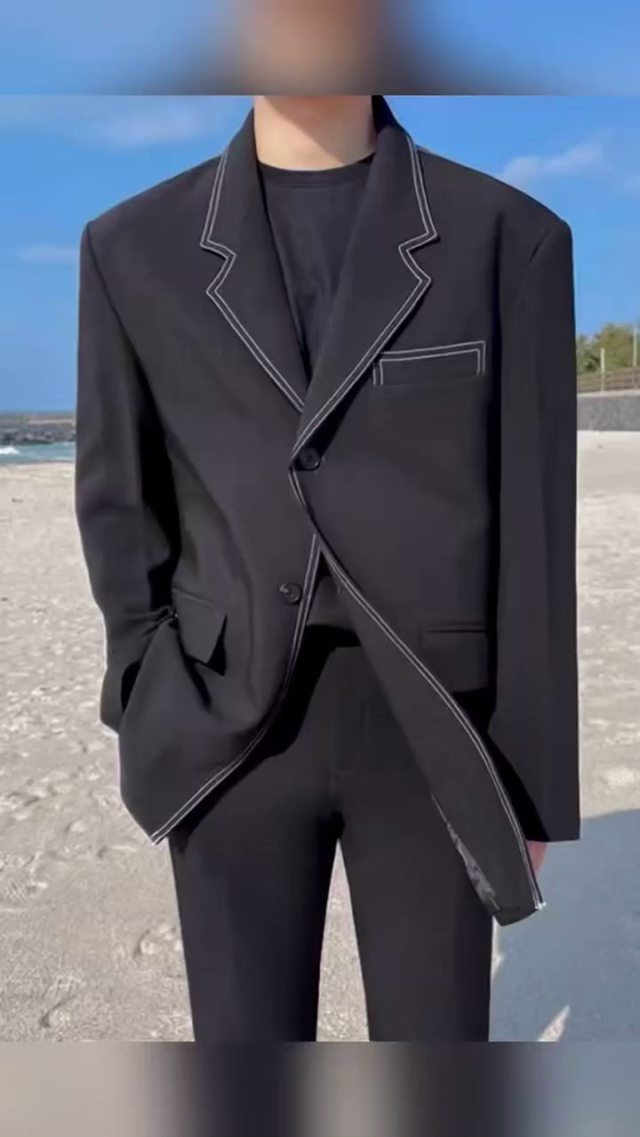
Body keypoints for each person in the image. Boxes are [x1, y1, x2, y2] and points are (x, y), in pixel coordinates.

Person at [75, 94, 580, 1042]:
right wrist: (146, 692)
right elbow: (118, 506)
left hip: (438, 727)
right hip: (225, 725)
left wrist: (535, 778)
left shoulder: (510, 238)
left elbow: (537, 530)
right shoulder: (130, 248)